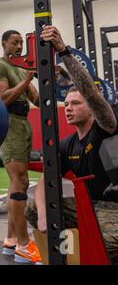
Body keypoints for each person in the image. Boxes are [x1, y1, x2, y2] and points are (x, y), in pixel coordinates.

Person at [26, 25, 118, 264]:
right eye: (66, 104)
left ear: (90, 107)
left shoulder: (106, 128)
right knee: (33, 209)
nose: (68, 107)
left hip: (114, 210)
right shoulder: (67, 144)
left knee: (104, 244)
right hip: (88, 207)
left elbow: (91, 92)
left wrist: (64, 52)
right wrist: (46, 216)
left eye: (75, 103)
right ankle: (66, 257)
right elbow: (47, 179)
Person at [0, 30, 41, 264]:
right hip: (8, 123)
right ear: (3, 43)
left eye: (21, 43)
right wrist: (27, 79)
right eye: (14, 42)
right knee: (19, 180)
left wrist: (53, 76)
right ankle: (23, 244)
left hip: (24, 123)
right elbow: (3, 99)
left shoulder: (21, 69)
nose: (19, 46)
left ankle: (10, 240)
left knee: (20, 182)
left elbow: (37, 100)